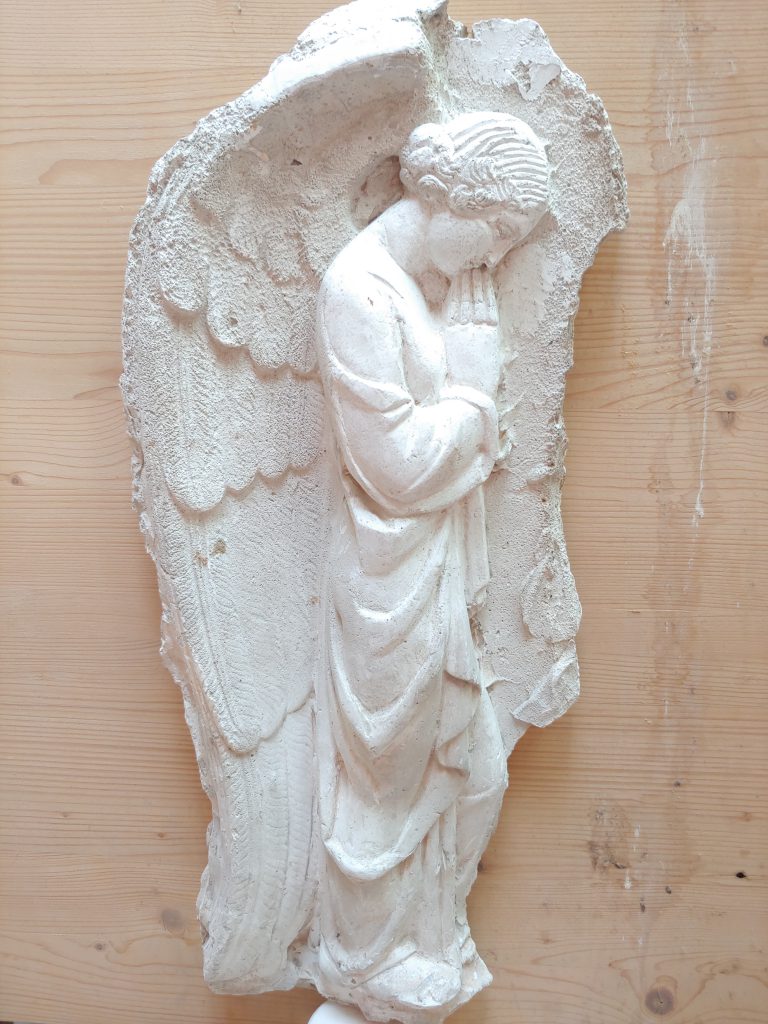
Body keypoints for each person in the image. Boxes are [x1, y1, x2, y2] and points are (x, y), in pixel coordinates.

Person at [314, 112, 551, 1023]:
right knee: (386, 780)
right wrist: (475, 392)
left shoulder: (415, 289)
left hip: (431, 574)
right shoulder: (358, 290)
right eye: (496, 232)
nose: (495, 256)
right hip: (389, 584)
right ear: (454, 198)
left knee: (474, 774)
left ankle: (425, 938)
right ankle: (361, 963)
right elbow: (397, 466)